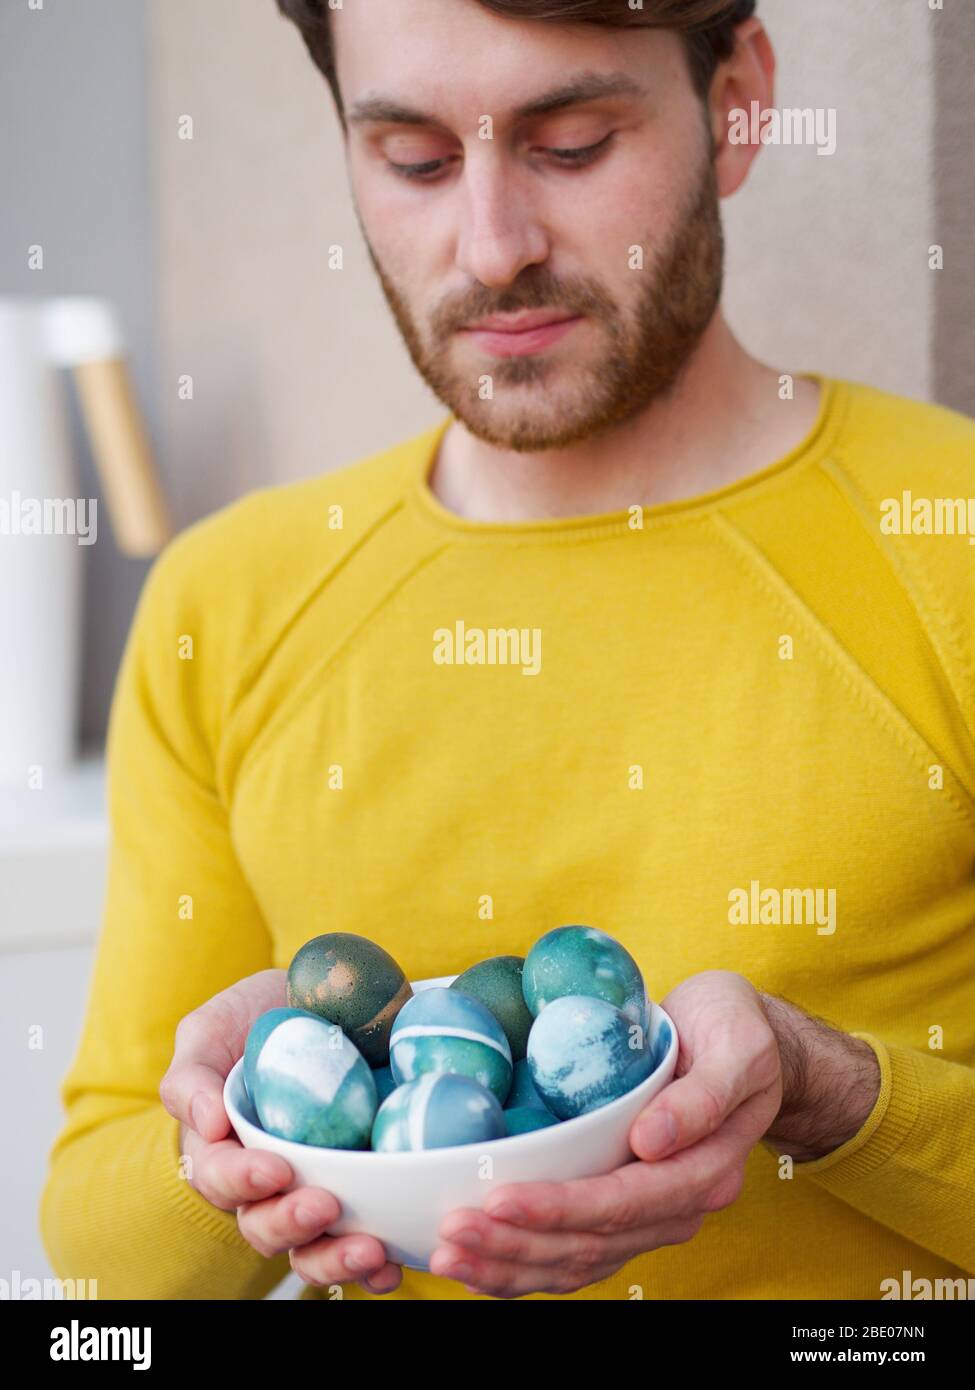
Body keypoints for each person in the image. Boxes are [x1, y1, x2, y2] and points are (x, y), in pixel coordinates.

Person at [40, 0, 975, 1302]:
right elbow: (105, 1249)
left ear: (738, 98)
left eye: (575, 142)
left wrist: (834, 1092)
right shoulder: (227, 600)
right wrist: (225, 1149)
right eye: (413, 159)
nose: (491, 248)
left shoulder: (953, 540)